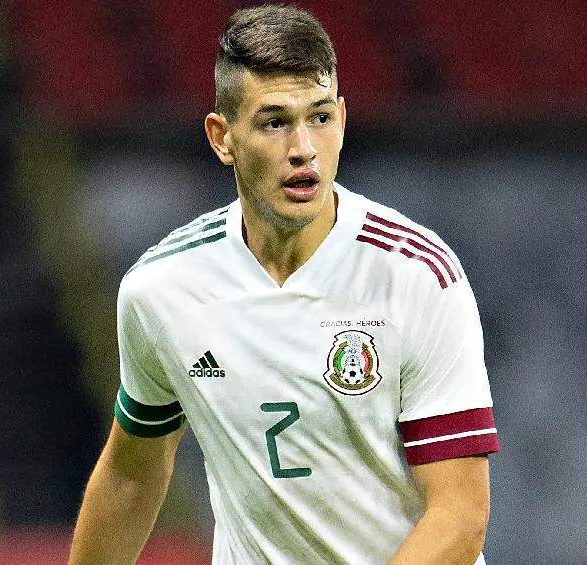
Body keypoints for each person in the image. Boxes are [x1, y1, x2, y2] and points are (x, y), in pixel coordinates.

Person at [68, 4, 499, 564]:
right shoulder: (161, 292)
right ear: (222, 138)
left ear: (342, 120)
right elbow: (133, 468)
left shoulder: (416, 275)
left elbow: (460, 516)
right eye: (274, 122)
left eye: (319, 117)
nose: (303, 149)